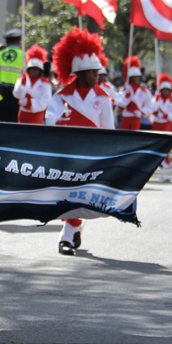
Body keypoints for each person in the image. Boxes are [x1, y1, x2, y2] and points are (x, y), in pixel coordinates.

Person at [45, 28, 114, 256]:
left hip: (92, 154)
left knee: (82, 193)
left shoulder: (103, 98)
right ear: (80, 73)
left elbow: (109, 130)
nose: (97, 76)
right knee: (67, 192)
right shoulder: (62, 95)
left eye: (97, 72)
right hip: (67, 152)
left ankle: (72, 230)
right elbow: (50, 119)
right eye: (93, 72)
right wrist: (60, 122)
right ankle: (68, 233)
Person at [0, 29, 23, 122]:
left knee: (2, 123)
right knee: (15, 124)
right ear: (19, 42)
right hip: (17, 95)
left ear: (6, 42)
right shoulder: (24, 56)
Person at [13, 45, 52, 124]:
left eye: (36, 69)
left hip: (37, 114)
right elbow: (17, 95)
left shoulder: (45, 83)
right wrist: (22, 85)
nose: (33, 71)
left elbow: (46, 100)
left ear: (40, 70)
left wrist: (30, 102)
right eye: (32, 69)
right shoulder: (22, 79)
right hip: (23, 112)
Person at [150, 74, 172, 171]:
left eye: (167, 90)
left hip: (167, 125)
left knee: (166, 147)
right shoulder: (156, 99)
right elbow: (151, 110)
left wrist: (165, 116)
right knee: (156, 145)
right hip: (157, 125)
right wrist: (155, 104)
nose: (165, 92)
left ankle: (166, 165)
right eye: (163, 90)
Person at [117, 56, 153, 131]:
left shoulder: (144, 90)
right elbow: (120, 104)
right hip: (126, 116)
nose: (136, 78)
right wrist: (126, 98)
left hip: (137, 117)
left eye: (137, 76)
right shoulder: (125, 89)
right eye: (134, 77)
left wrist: (141, 111)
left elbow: (149, 105)